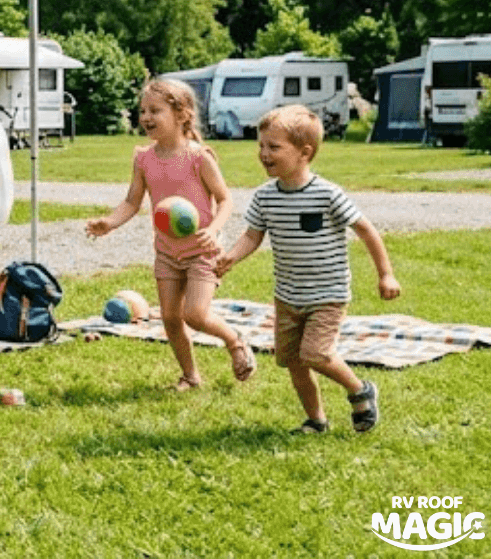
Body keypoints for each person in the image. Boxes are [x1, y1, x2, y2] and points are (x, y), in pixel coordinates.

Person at [217, 105, 400, 434]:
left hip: (327, 294)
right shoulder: (264, 198)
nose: (263, 153)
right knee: (294, 362)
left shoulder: (327, 194)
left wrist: (385, 273)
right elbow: (253, 235)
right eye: (261, 146)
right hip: (288, 295)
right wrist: (231, 257)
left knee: (315, 353)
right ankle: (316, 421)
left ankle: (360, 390)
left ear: (305, 152)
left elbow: (366, 230)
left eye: (274, 147)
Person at [85, 76, 257, 391]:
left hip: (202, 252)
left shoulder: (198, 157)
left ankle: (234, 340)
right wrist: (109, 222)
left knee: (195, 313)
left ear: (181, 115)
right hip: (166, 251)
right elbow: (132, 201)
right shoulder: (143, 159)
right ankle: (191, 376)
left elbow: (225, 199)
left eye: (155, 110)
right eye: (143, 110)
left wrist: (214, 230)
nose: (146, 117)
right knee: (170, 317)